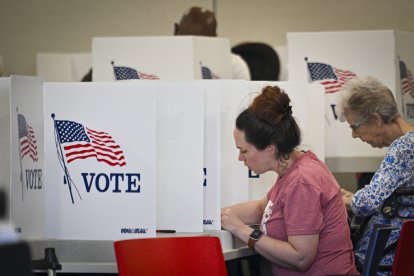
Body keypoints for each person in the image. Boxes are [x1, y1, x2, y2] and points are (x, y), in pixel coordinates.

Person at [221, 85, 358, 275]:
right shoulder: (296, 166)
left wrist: (241, 230)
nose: (240, 158)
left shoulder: (301, 181)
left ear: (270, 148)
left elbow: (300, 258)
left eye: (244, 151)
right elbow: (264, 209)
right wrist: (219, 216)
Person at [338, 76, 414, 273]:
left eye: (355, 126)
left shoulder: (403, 149)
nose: (354, 135)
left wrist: (346, 200)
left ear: (376, 119)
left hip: (382, 258)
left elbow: (367, 203)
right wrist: (354, 198)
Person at [174, 6, 251, 80]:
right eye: (188, 40)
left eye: (202, 43)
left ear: (214, 39)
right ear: (176, 31)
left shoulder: (235, 66)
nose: (193, 49)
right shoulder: (163, 62)